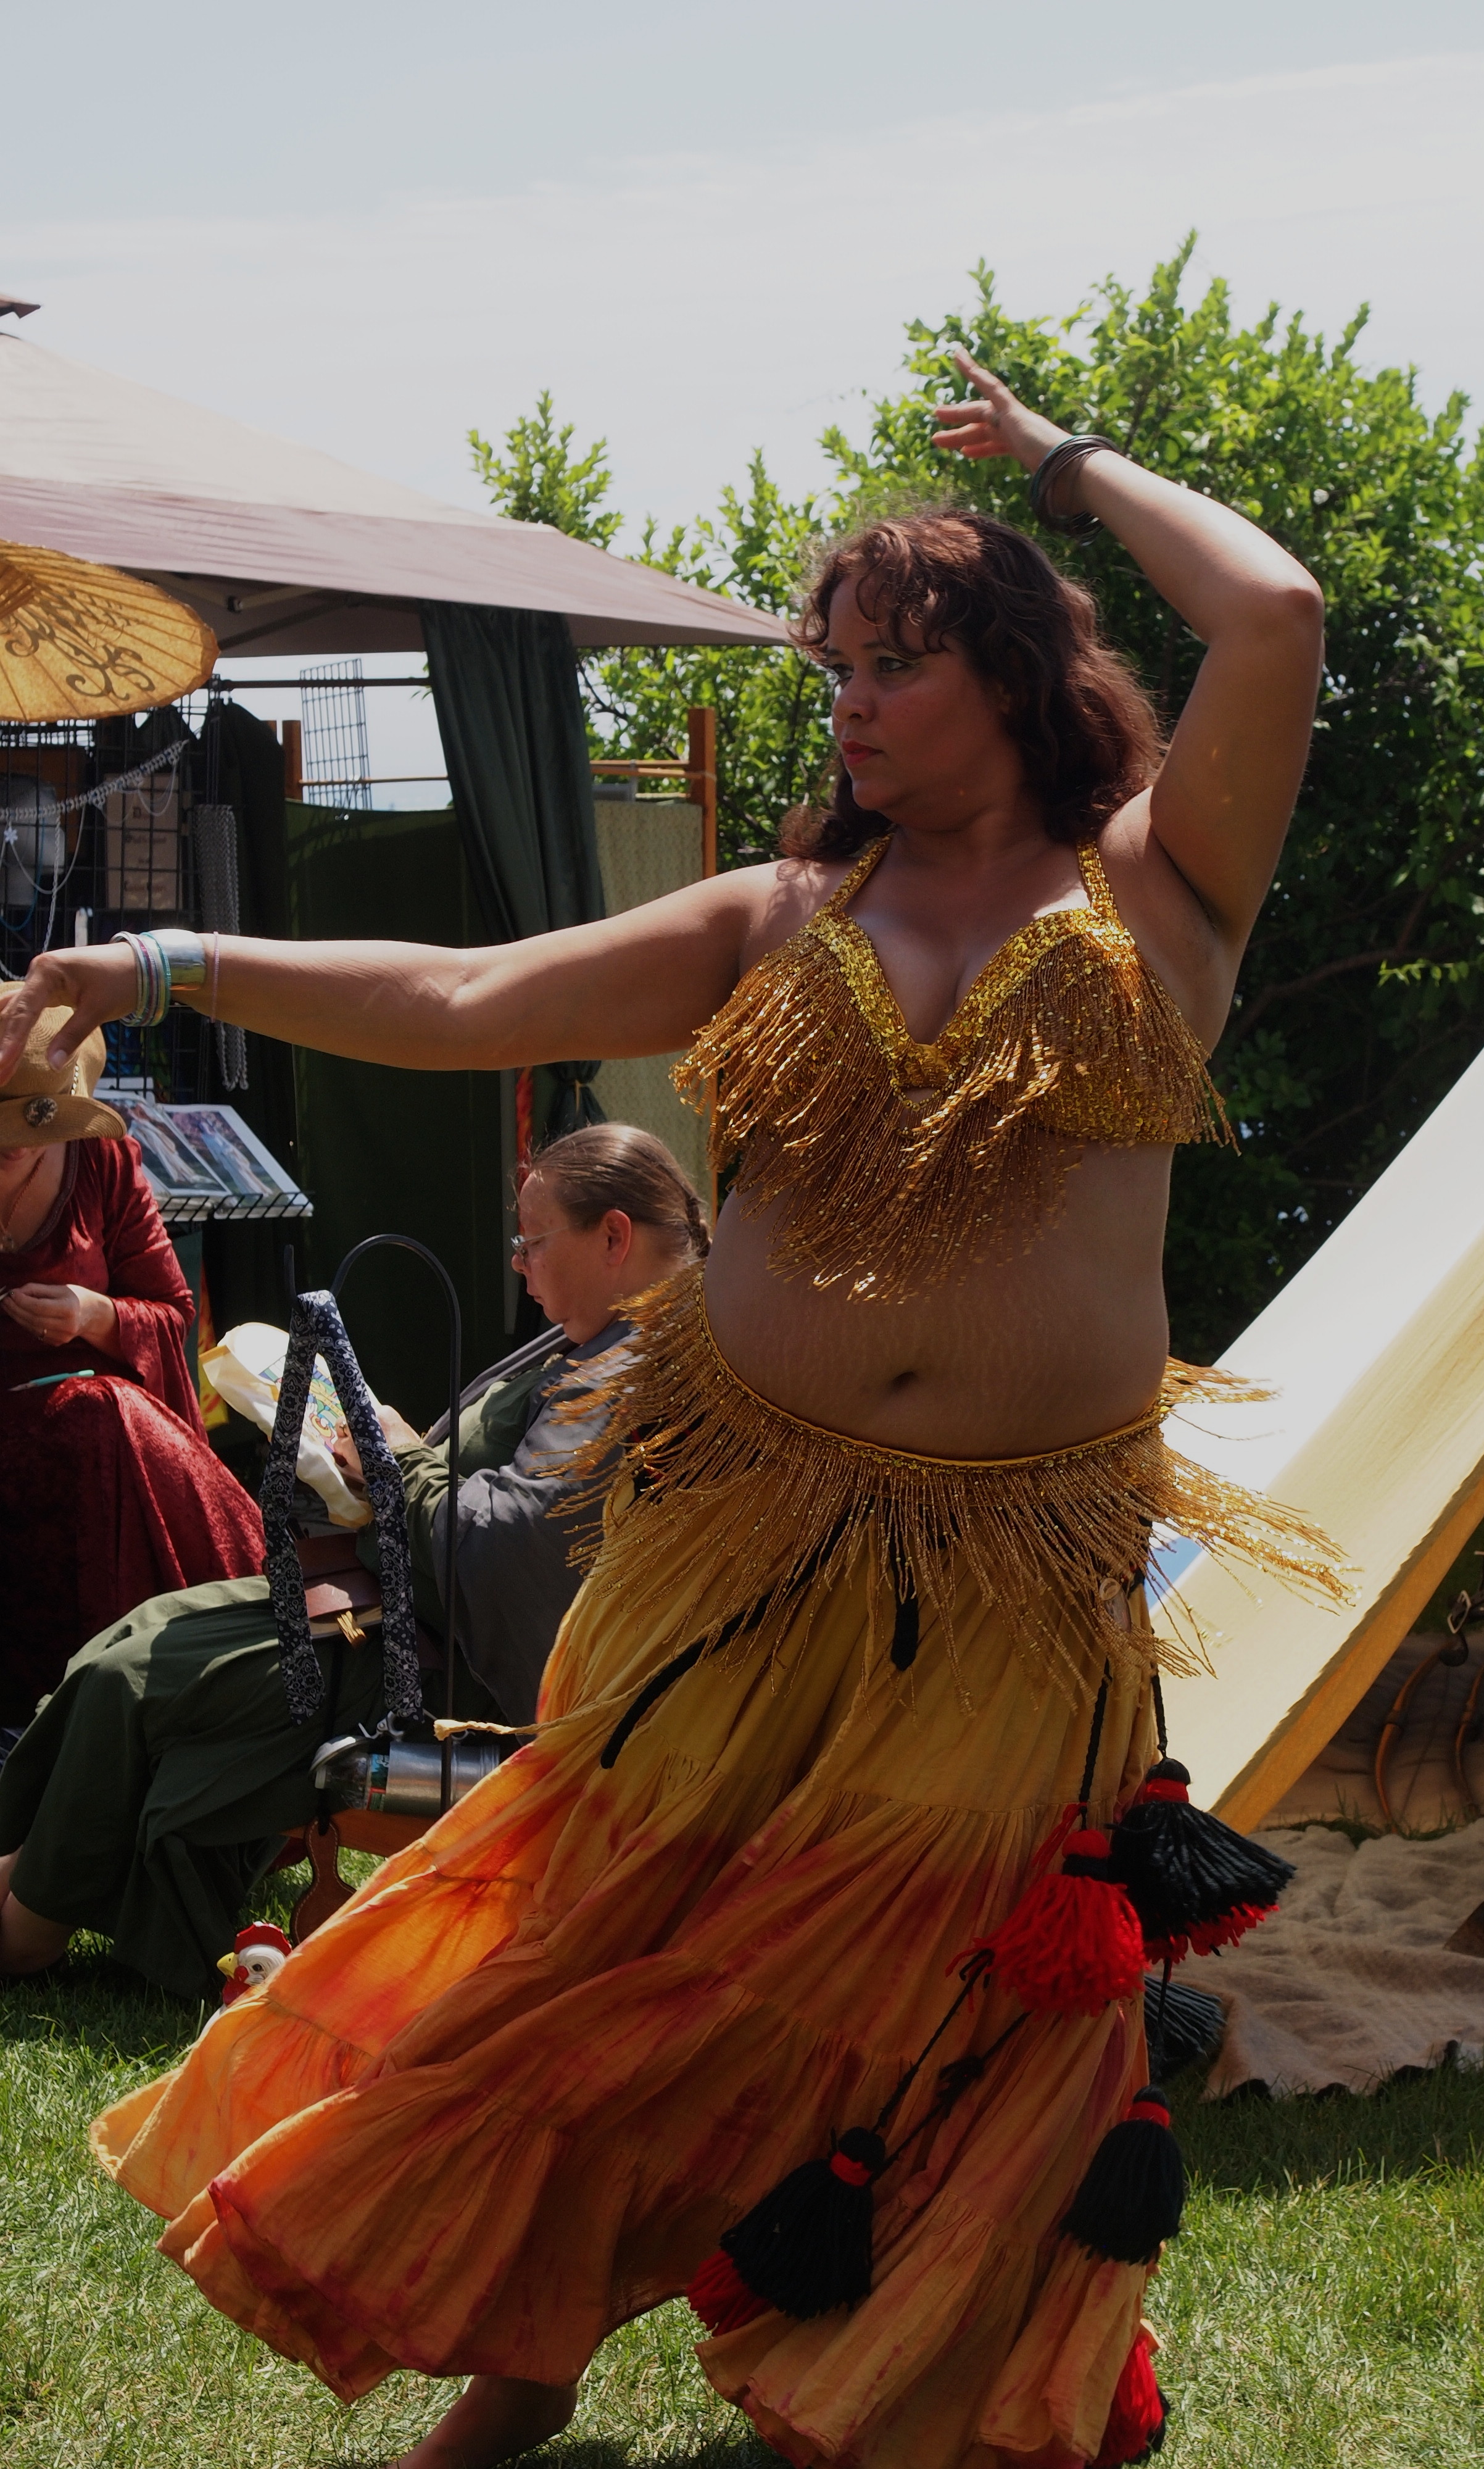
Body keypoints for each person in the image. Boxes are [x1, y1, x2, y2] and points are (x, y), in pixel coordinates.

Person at [0, 350, 1348, 2469]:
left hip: (1018, 1572)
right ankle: (522, 2348)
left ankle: (909, 2385)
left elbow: (1271, 611)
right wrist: (168, 962)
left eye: (892, 665)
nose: (851, 705)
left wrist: (1060, 463)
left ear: (1010, 671)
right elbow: (466, 997)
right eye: (836, 670)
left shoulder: (1160, 889)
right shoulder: (777, 917)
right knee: (608, 1933)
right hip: (744, 1542)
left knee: (949, 1978)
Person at [0, 1123, 705, 1996]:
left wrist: (397, 1461)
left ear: (613, 1237)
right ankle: (25, 1863)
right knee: (137, 1635)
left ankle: (26, 1923)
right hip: (402, 1610)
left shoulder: (637, 1368)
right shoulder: (610, 1337)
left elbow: (515, 1550)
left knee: (136, 1676)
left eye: (533, 1240)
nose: (518, 1262)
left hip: (445, 1672)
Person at [0, 999, 265, 1746]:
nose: (13, 1145)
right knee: (104, 1419)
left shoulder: (104, 1163)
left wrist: (94, 1315)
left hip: (106, 1436)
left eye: (31, 1126)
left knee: (106, 1415)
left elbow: (172, 1314)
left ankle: (227, 1660)